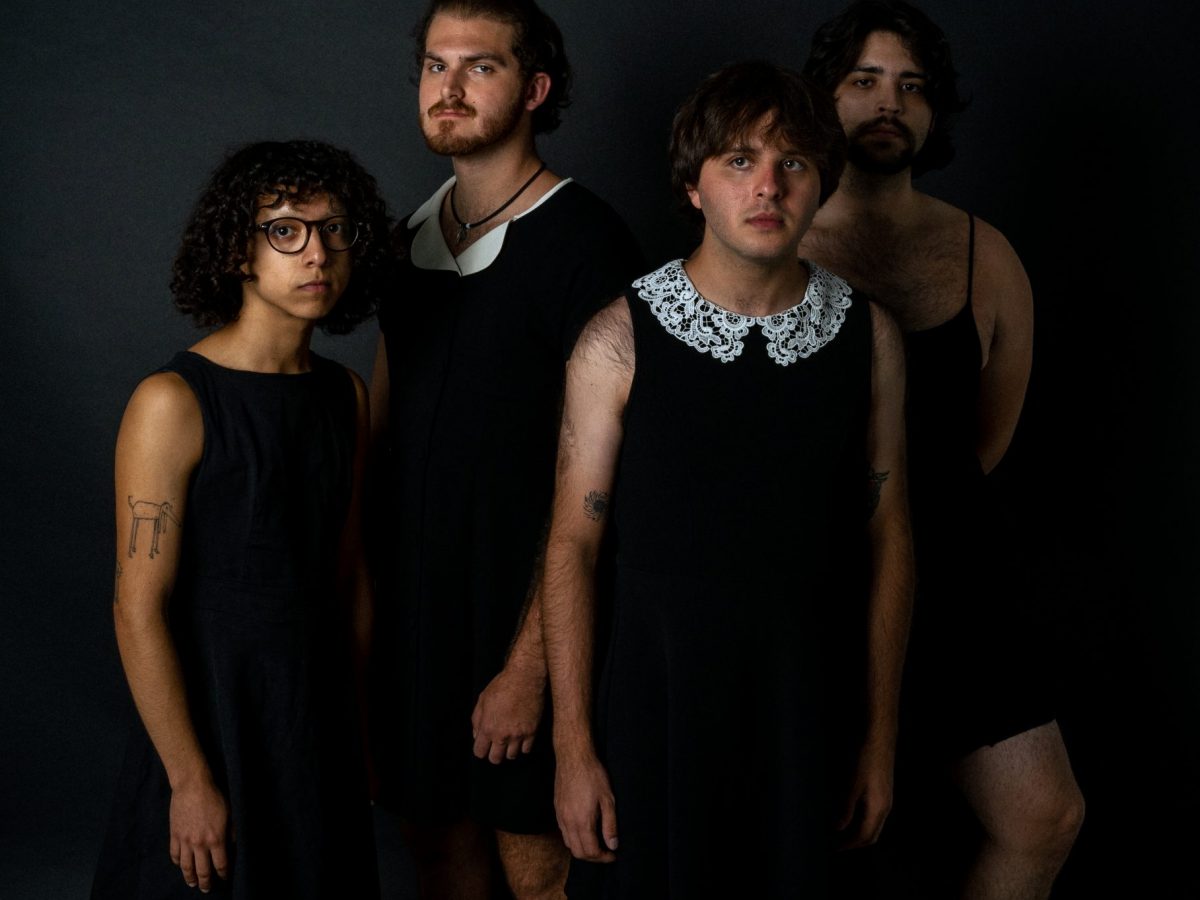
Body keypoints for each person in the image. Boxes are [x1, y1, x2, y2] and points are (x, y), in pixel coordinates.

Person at [540, 61, 913, 897]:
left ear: (821, 185)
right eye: (740, 160)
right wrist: (573, 749)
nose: (768, 186)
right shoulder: (617, 339)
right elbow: (572, 543)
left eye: (793, 163)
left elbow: (889, 536)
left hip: (807, 709)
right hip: (657, 709)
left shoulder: (871, 338)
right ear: (693, 184)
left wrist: (880, 741)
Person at [800, 3, 1085, 897]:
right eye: (865, 81)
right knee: (828, 833)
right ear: (825, 98)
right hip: (812, 578)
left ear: (934, 111)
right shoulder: (774, 236)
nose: (890, 103)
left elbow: (985, 442)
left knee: (1043, 816)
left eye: (913, 87)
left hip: (958, 582)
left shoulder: (983, 255)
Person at [368, 1, 642, 897]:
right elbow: (382, 437)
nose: (448, 87)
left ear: (534, 88)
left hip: (525, 614)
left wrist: (529, 669)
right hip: (418, 620)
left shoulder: (588, 243)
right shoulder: (405, 241)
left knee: (536, 866)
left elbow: (608, 483)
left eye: (479, 67)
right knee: (439, 850)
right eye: (435, 65)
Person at [92, 140, 392, 899]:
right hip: (213, 716)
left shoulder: (346, 396)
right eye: (285, 230)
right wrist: (188, 778)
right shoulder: (172, 402)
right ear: (237, 250)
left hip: (314, 714)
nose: (317, 253)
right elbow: (137, 607)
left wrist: (357, 731)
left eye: (333, 229)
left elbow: (350, 576)